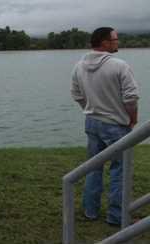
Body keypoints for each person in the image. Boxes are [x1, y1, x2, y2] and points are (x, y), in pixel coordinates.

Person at [71, 27, 140, 226]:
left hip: (92, 122)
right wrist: (132, 118)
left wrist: (90, 109)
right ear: (104, 42)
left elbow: (76, 94)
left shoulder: (79, 66)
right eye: (115, 39)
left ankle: (90, 211)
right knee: (120, 169)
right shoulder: (119, 65)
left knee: (93, 167)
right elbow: (131, 97)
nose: (118, 42)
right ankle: (116, 217)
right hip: (116, 125)